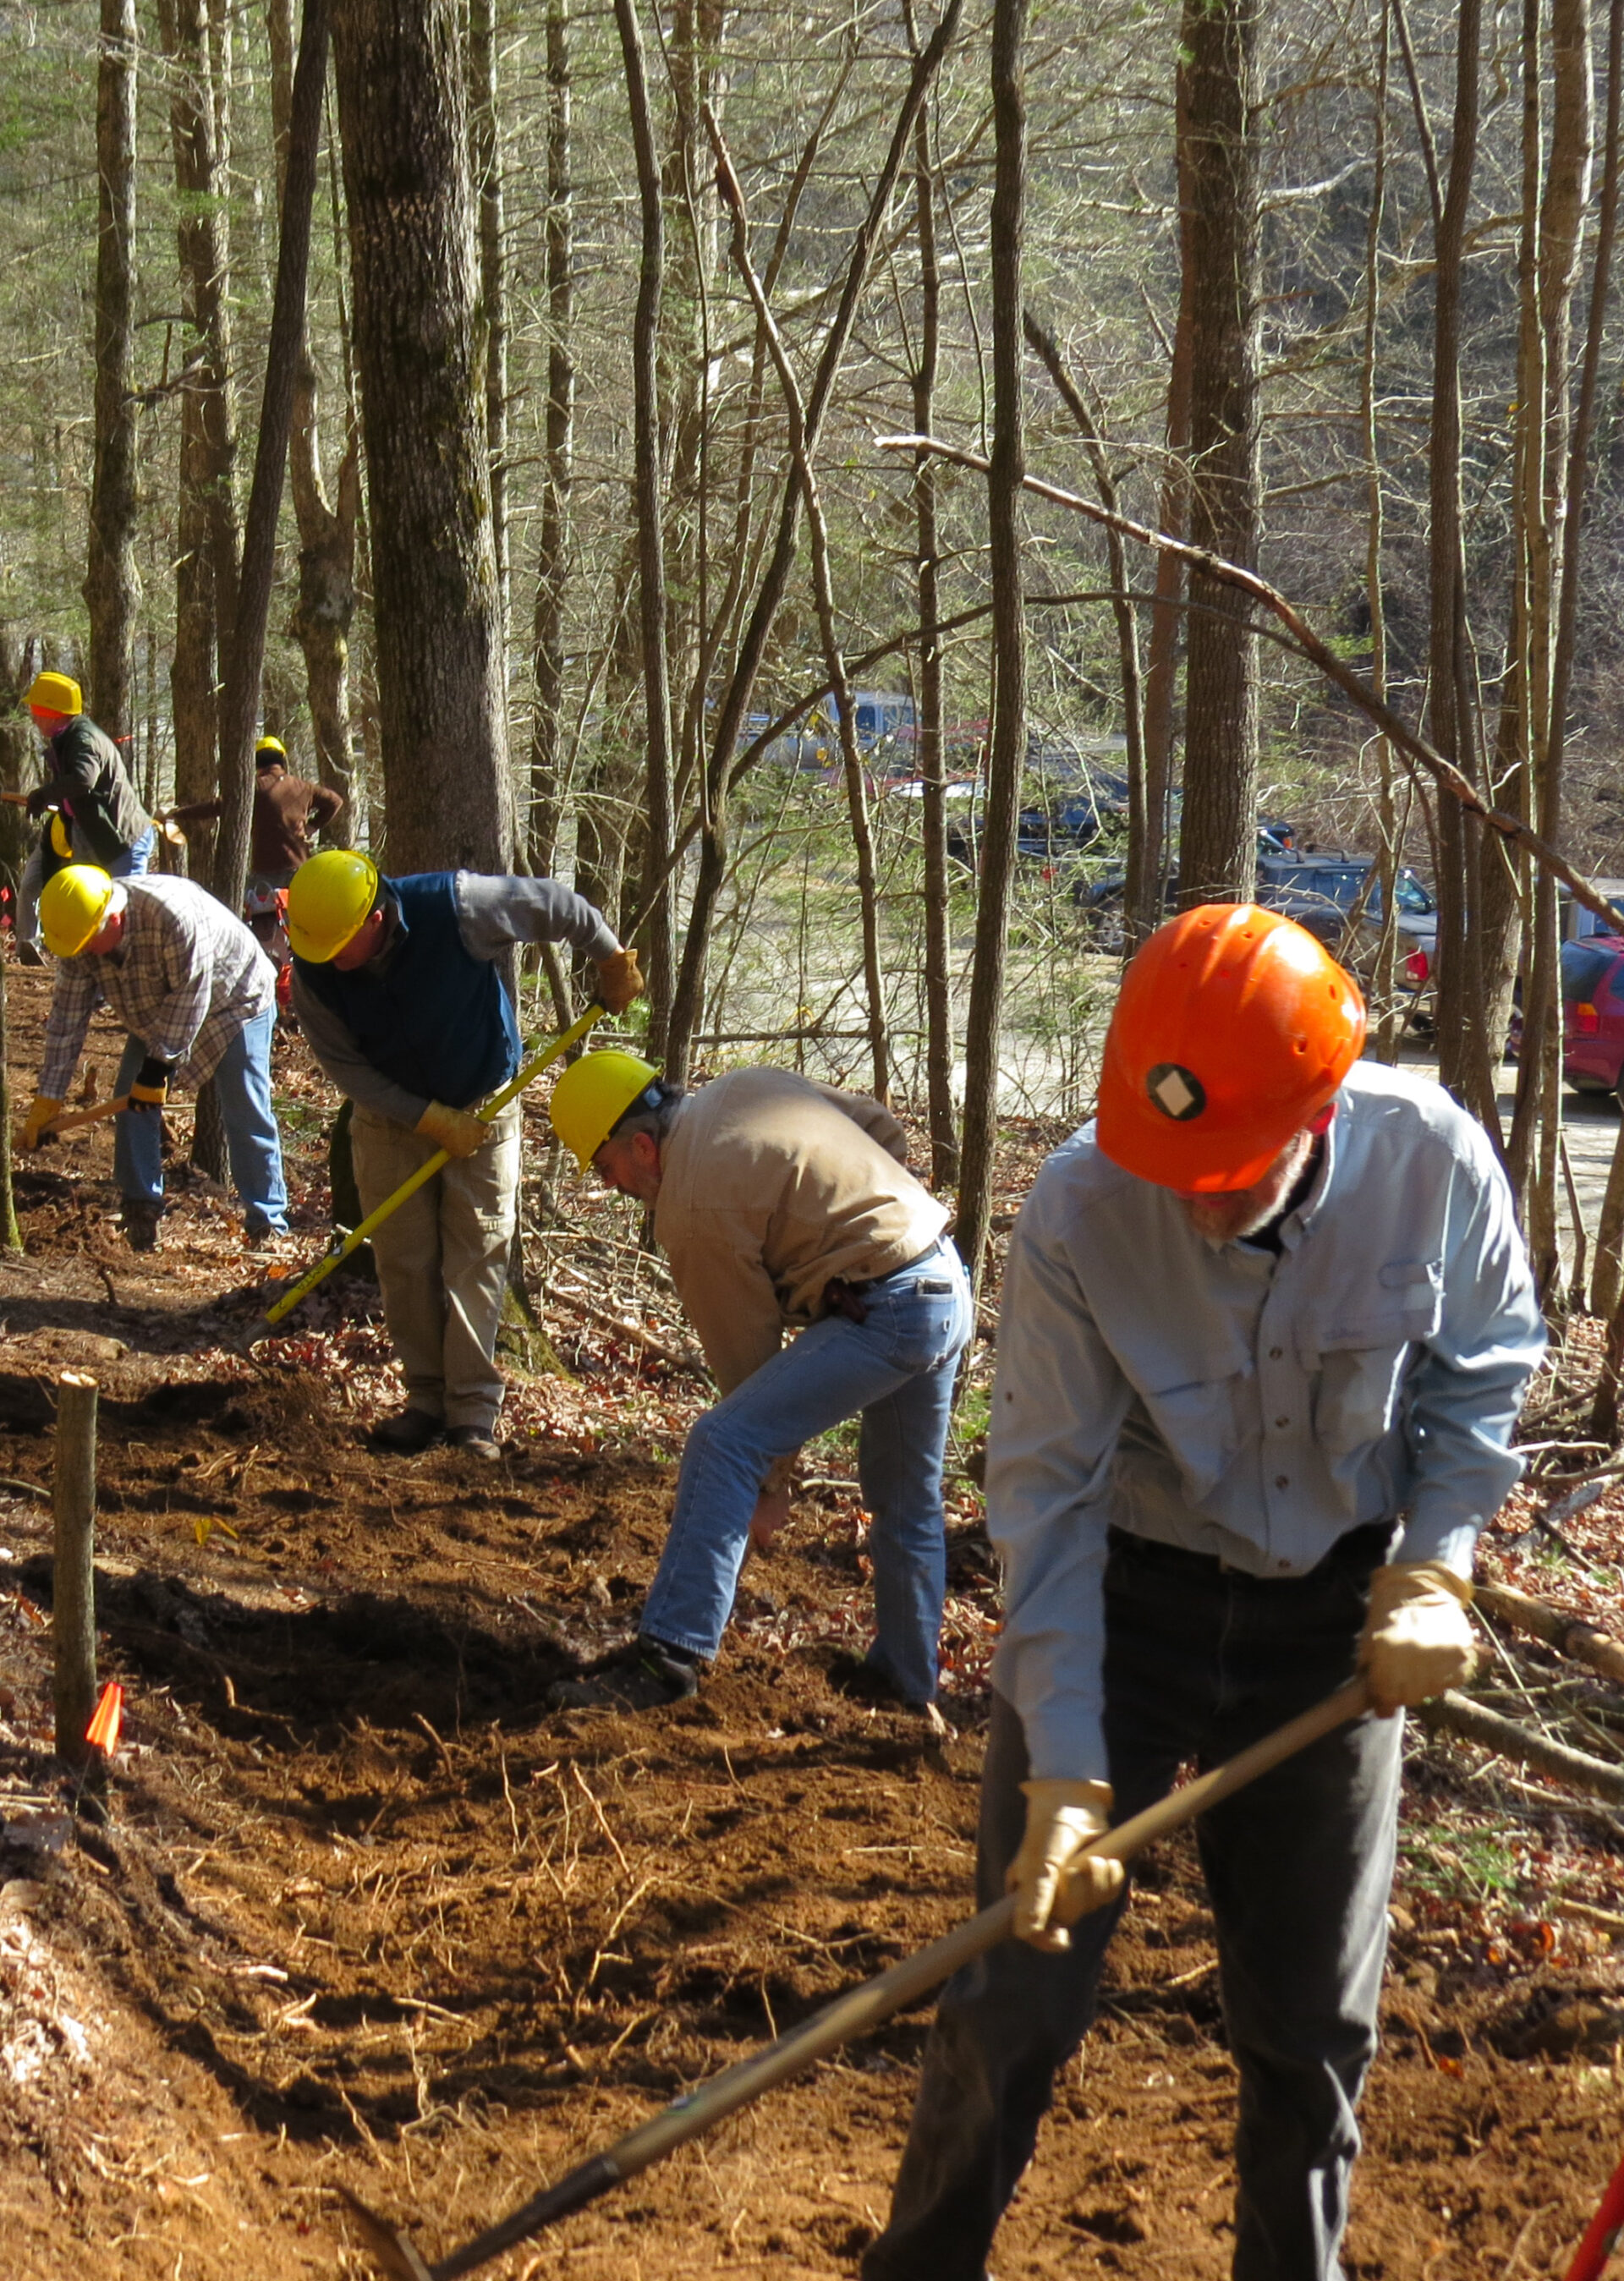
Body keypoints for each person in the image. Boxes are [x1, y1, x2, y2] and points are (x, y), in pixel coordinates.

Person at [861, 903, 1545, 2281]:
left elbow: (1483, 1373)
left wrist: (1433, 1566)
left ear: (1324, 1102)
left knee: (1309, 2031)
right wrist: (1063, 1773)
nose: (1201, 1200)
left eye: (1235, 1169)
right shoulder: (1083, 1204)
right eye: (1181, 1167)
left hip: (1334, 1628)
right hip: (1129, 1604)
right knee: (1018, 1994)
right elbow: (1044, 1494)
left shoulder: (1433, 1161)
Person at [546, 1050, 974, 1711]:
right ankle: (906, 1684)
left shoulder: (692, 1204)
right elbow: (882, 1130)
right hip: (942, 1276)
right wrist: (871, 1229)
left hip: (890, 1308)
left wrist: (769, 1484)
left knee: (723, 1442)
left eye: (607, 1169)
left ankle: (668, 1660)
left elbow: (745, 1359)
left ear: (641, 1145)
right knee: (905, 1498)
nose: (611, 1186)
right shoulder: (749, 1086)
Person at [286, 849, 643, 1461]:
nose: (330, 964)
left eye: (340, 948)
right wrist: (424, 1117)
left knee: (477, 1256)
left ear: (373, 920)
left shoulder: (456, 907)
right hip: (389, 1118)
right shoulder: (316, 963)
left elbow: (559, 905)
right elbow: (345, 1067)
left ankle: (473, 1413)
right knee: (404, 1261)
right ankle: (425, 1400)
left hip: (483, 1103)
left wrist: (609, 956)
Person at [17, 865, 288, 1253]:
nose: (84, 952)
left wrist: (158, 1068)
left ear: (114, 915)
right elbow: (66, 1019)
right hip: (156, 1011)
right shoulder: (79, 935)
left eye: (88, 941)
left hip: (235, 1000)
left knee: (245, 1110)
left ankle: (268, 1223)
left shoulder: (172, 915)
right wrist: (49, 1098)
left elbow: (192, 995)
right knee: (131, 1100)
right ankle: (140, 1206)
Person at [15, 672, 156, 963]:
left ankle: (130, 974)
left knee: (123, 913)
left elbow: (82, 780)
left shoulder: (83, 739)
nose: (32, 716)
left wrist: (44, 794)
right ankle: (91, 972)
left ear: (50, 711)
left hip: (122, 840)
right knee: (82, 907)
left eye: (35, 709)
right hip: (91, 835)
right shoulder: (65, 737)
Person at [165, 736, 345, 893]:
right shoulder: (303, 787)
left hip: (265, 870)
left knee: (264, 925)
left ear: (257, 763)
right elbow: (335, 801)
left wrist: (178, 813)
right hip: (299, 866)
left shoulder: (253, 789)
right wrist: (313, 826)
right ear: (282, 760)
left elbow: (215, 806)